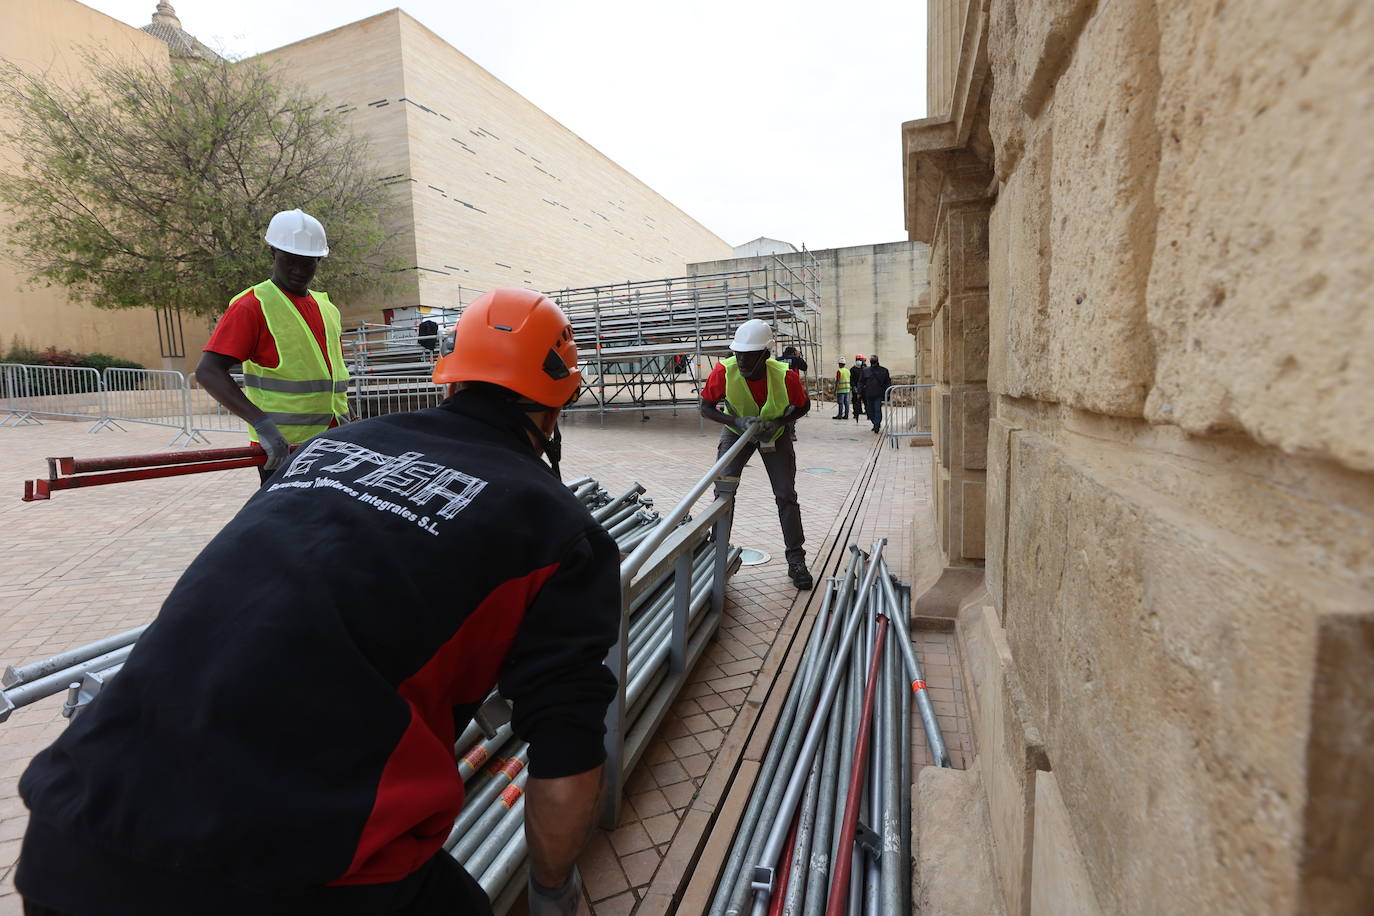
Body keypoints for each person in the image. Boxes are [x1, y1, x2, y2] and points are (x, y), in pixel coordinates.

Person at [17, 288, 618, 916]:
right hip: (293, 865)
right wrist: (554, 891)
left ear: (449, 383)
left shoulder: (324, 452)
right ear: (557, 404)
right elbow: (565, 751)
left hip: (74, 834)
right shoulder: (554, 527)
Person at [196, 209, 351, 485]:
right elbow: (209, 371)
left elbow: (331, 377)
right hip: (282, 446)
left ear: (319, 260)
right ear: (273, 254)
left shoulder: (328, 308)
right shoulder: (252, 305)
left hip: (333, 439)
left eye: (308, 263)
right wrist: (261, 423)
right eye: (289, 260)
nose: (298, 270)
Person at [699, 319, 813, 590]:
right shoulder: (724, 371)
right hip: (737, 430)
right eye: (738, 354)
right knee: (724, 491)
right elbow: (705, 407)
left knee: (786, 494)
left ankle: (796, 559)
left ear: (765, 354)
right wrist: (735, 422)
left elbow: (803, 405)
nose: (741, 362)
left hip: (773, 433)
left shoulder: (785, 375)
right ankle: (718, 554)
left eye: (748, 357)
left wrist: (780, 423)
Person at [863, 354, 893, 434]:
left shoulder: (884, 370)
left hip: (878, 394)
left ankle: (877, 424)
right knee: (870, 410)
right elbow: (861, 382)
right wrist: (859, 391)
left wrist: (888, 392)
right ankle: (875, 423)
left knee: (877, 409)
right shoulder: (866, 371)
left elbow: (888, 382)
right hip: (869, 394)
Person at [849, 356, 867, 423]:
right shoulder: (852, 369)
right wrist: (854, 386)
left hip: (863, 388)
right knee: (856, 401)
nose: (859, 361)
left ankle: (868, 414)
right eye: (857, 360)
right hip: (856, 388)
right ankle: (856, 414)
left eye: (860, 360)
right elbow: (851, 379)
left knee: (865, 401)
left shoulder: (864, 369)